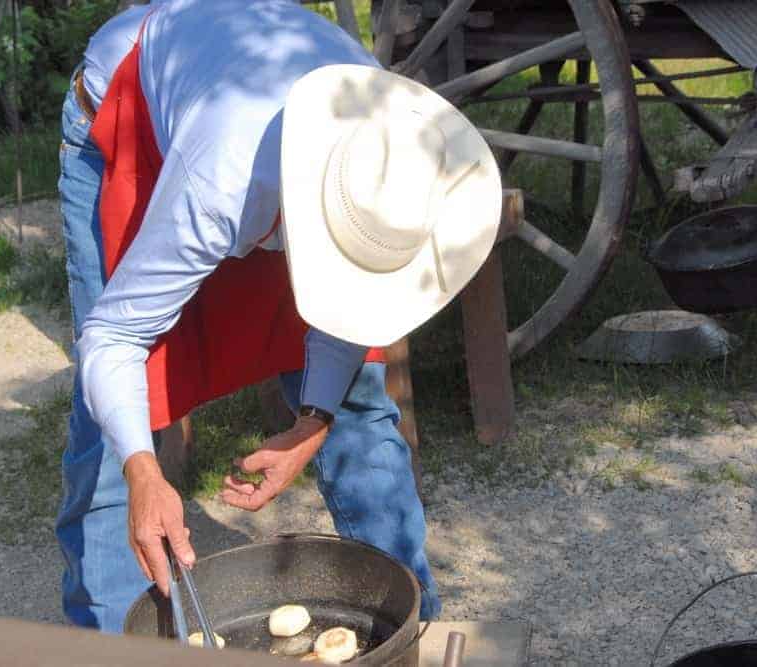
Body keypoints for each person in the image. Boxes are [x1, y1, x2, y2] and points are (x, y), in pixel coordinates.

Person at [55, 0, 501, 634]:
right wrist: (144, 473)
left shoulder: (389, 152)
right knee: (114, 433)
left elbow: (358, 304)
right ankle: (110, 647)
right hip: (132, 119)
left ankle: (410, 633)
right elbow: (116, 336)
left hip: (250, 120)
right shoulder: (218, 188)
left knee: (355, 405)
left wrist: (314, 419)